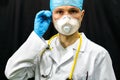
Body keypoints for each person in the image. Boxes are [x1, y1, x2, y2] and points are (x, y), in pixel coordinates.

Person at [5, 0, 116, 80]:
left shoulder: (98, 54)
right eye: (59, 12)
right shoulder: (40, 50)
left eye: (73, 11)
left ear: (81, 15)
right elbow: (12, 74)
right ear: (52, 16)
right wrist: (36, 36)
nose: (66, 18)